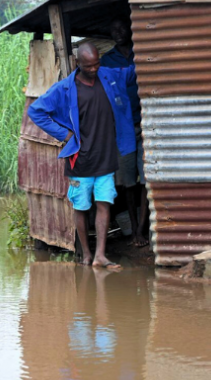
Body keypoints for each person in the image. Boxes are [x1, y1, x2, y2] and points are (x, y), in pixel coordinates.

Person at [28, 42, 137, 269]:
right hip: (81, 160)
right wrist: (64, 135)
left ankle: (100, 256)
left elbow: (132, 71)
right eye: (89, 66)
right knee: (81, 207)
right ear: (79, 64)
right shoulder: (65, 89)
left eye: (97, 63)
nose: (95, 69)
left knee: (105, 203)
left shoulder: (109, 76)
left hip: (106, 158)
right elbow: (36, 111)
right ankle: (86, 254)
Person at [100, 18, 149, 248]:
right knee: (129, 182)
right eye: (114, 29)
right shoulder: (107, 61)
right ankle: (133, 230)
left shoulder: (142, 51)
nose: (118, 32)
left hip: (148, 123)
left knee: (146, 180)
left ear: (130, 27)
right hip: (124, 129)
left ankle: (141, 228)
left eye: (121, 27)